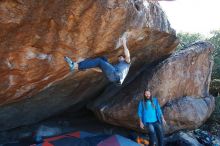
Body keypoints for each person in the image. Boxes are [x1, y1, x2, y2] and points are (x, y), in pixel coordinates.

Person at [64, 37, 131, 85]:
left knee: (99, 61)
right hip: (113, 78)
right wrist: (91, 67)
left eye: (121, 57)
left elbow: (127, 54)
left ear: (124, 58)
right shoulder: (117, 67)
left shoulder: (127, 63)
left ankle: (76, 65)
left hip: (116, 76)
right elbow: (101, 70)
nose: (119, 58)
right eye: (119, 58)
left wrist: (124, 43)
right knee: (103, 59)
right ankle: (76, 66)